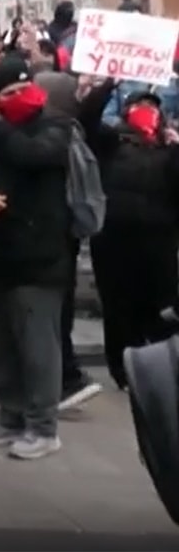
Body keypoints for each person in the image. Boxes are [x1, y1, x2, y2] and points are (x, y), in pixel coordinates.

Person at [0, 55, 71, 460]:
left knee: (38, 346)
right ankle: (11, 413)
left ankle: (43, 425)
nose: (21, 98)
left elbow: (33, 154)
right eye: (9, 93)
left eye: (25, 89)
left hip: (37, 257)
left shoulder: (55, 126)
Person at [76, 80, 179, 390]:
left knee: (161, 309)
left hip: (158, 244)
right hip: (114, 243)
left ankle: (164, 369)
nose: (146, 112)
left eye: (152, 107)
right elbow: (87, 118)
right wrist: (109, 84)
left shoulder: (169, 150)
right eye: (139, 106)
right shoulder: (111, 143)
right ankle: (124, 370)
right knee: (119, 308)